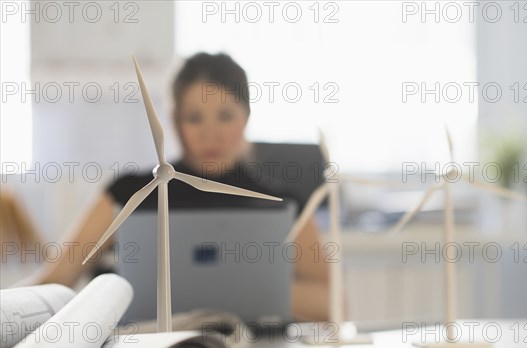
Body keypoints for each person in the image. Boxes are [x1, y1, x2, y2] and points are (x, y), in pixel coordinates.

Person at [36, 52, 330, 323]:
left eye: (225, 116)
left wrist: (240, 284)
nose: (210, 134)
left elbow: (331, 302)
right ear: (175, 122)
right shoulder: (127, 194)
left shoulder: (281, 204)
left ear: (246, 117)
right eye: (194, 118)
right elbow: (57, 278)